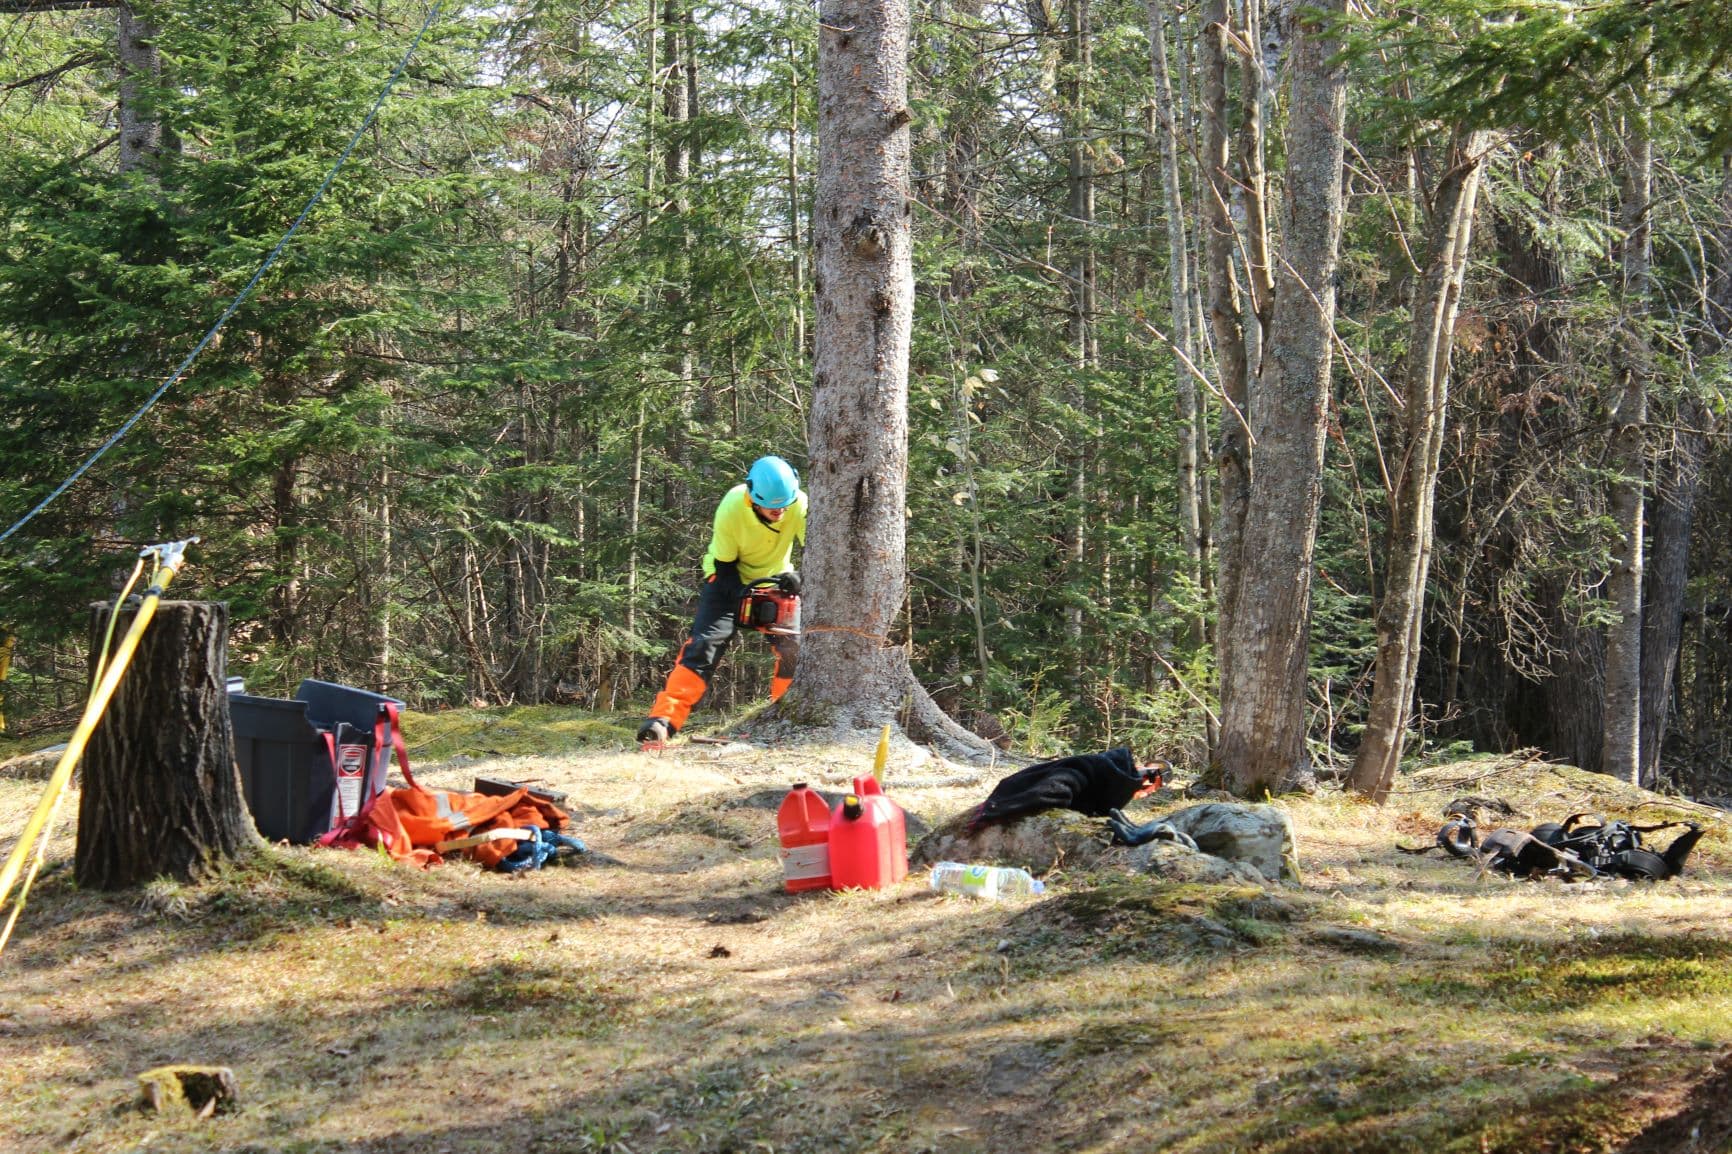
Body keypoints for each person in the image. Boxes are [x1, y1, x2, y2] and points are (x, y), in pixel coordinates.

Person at [638, 455, 807, 744]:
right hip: (727, 579)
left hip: (776, 579)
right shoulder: (732, 506)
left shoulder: (799, 503)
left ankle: (787, 713)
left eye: (783, 506)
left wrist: (801, 577)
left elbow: (819, 551)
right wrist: (743, 600)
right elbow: (725, 566)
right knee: (704, 645)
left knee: (794, 647)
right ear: (753, 497)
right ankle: (663, 721)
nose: (779, 511)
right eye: (770, 506)